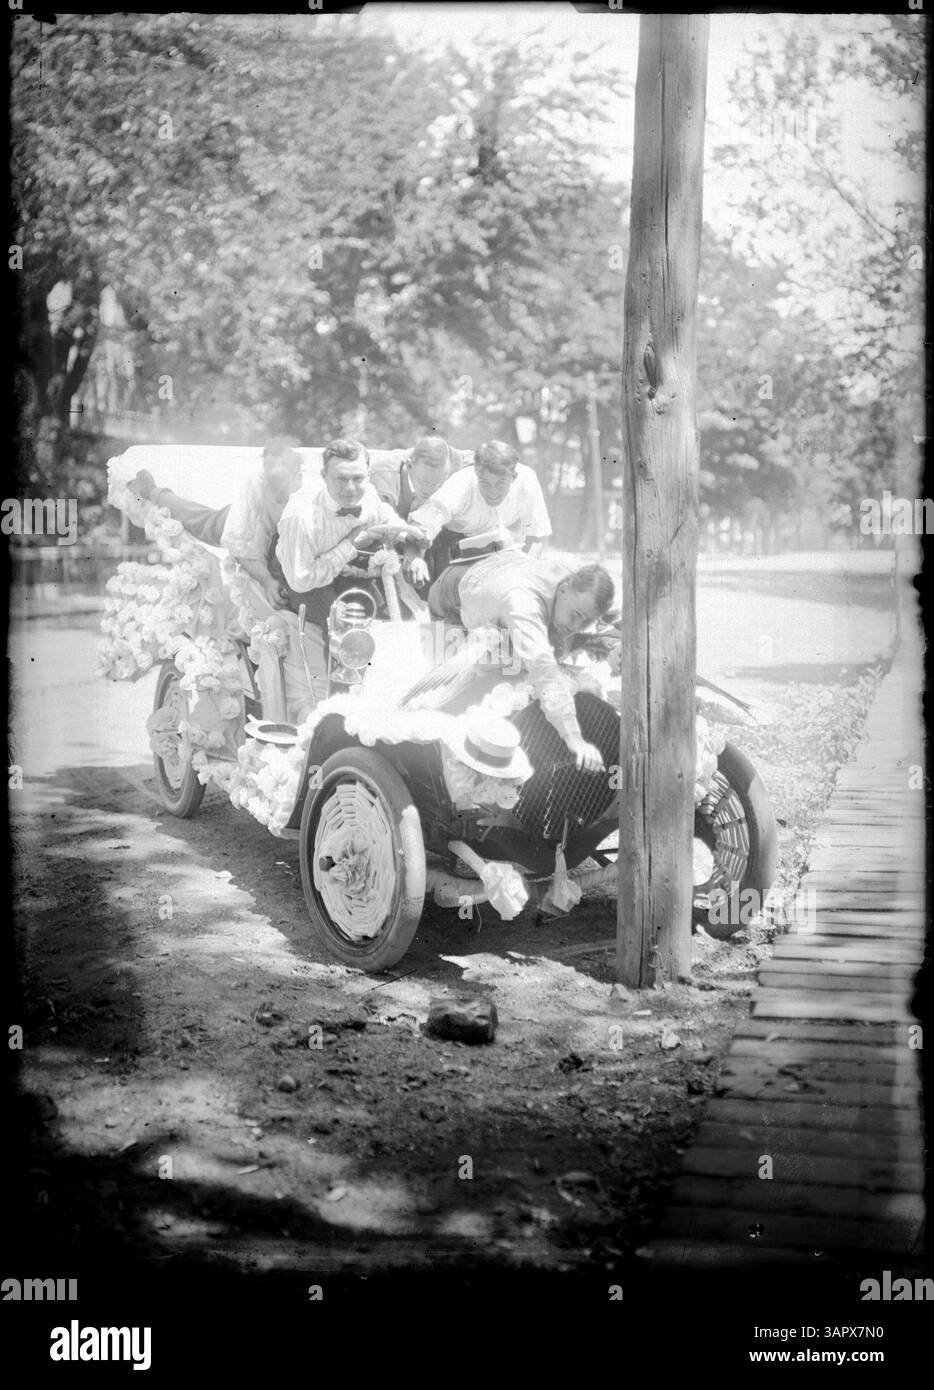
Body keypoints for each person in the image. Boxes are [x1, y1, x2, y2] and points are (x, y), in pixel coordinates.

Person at [427, 548, 615, 772]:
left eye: (586, 621)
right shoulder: (523, 602)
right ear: (563, 589)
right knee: (470, 684)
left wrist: (616, 643)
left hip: (506, 570)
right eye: (575, 616)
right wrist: (574, 738)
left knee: (534, 661)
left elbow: (611, 614)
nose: (576, 627)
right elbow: (543, 670)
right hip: (454, 593)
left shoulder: (578, 584)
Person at [130, 438, 303, 604]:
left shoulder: (300, 487)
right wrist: (267, 581)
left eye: (284, 466)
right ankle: (146, 491)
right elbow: (241, 547)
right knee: (191, 515)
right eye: (271, 466)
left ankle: (147, 493)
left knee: (194, 514)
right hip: (230, 523)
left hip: (262, 532)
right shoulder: (255, 488)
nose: (277, 471)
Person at [272, 437, 412, 627]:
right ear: (323, 475)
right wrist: (350, 543)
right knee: (345, 628)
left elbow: (385, 515)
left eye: (357, 478)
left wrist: (406, 535)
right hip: (303, 575)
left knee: (391, 622)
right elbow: (301, 579)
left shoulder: (368, 492)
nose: (350, 488)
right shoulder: (300, 516)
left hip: (347, 568)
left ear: (368, 475)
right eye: (341, 479)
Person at [403, 440, 552, 586]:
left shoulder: (528, 481)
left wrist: (522, 573)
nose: (492, 492)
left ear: (513, 477)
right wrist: (414, 557)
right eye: (485, 483)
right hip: (445, 540)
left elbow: (537, 535)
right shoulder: (461, 485)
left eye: (500, 484)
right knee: (440, 598)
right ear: (476, 472)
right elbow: (420, 524)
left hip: (492, 543)